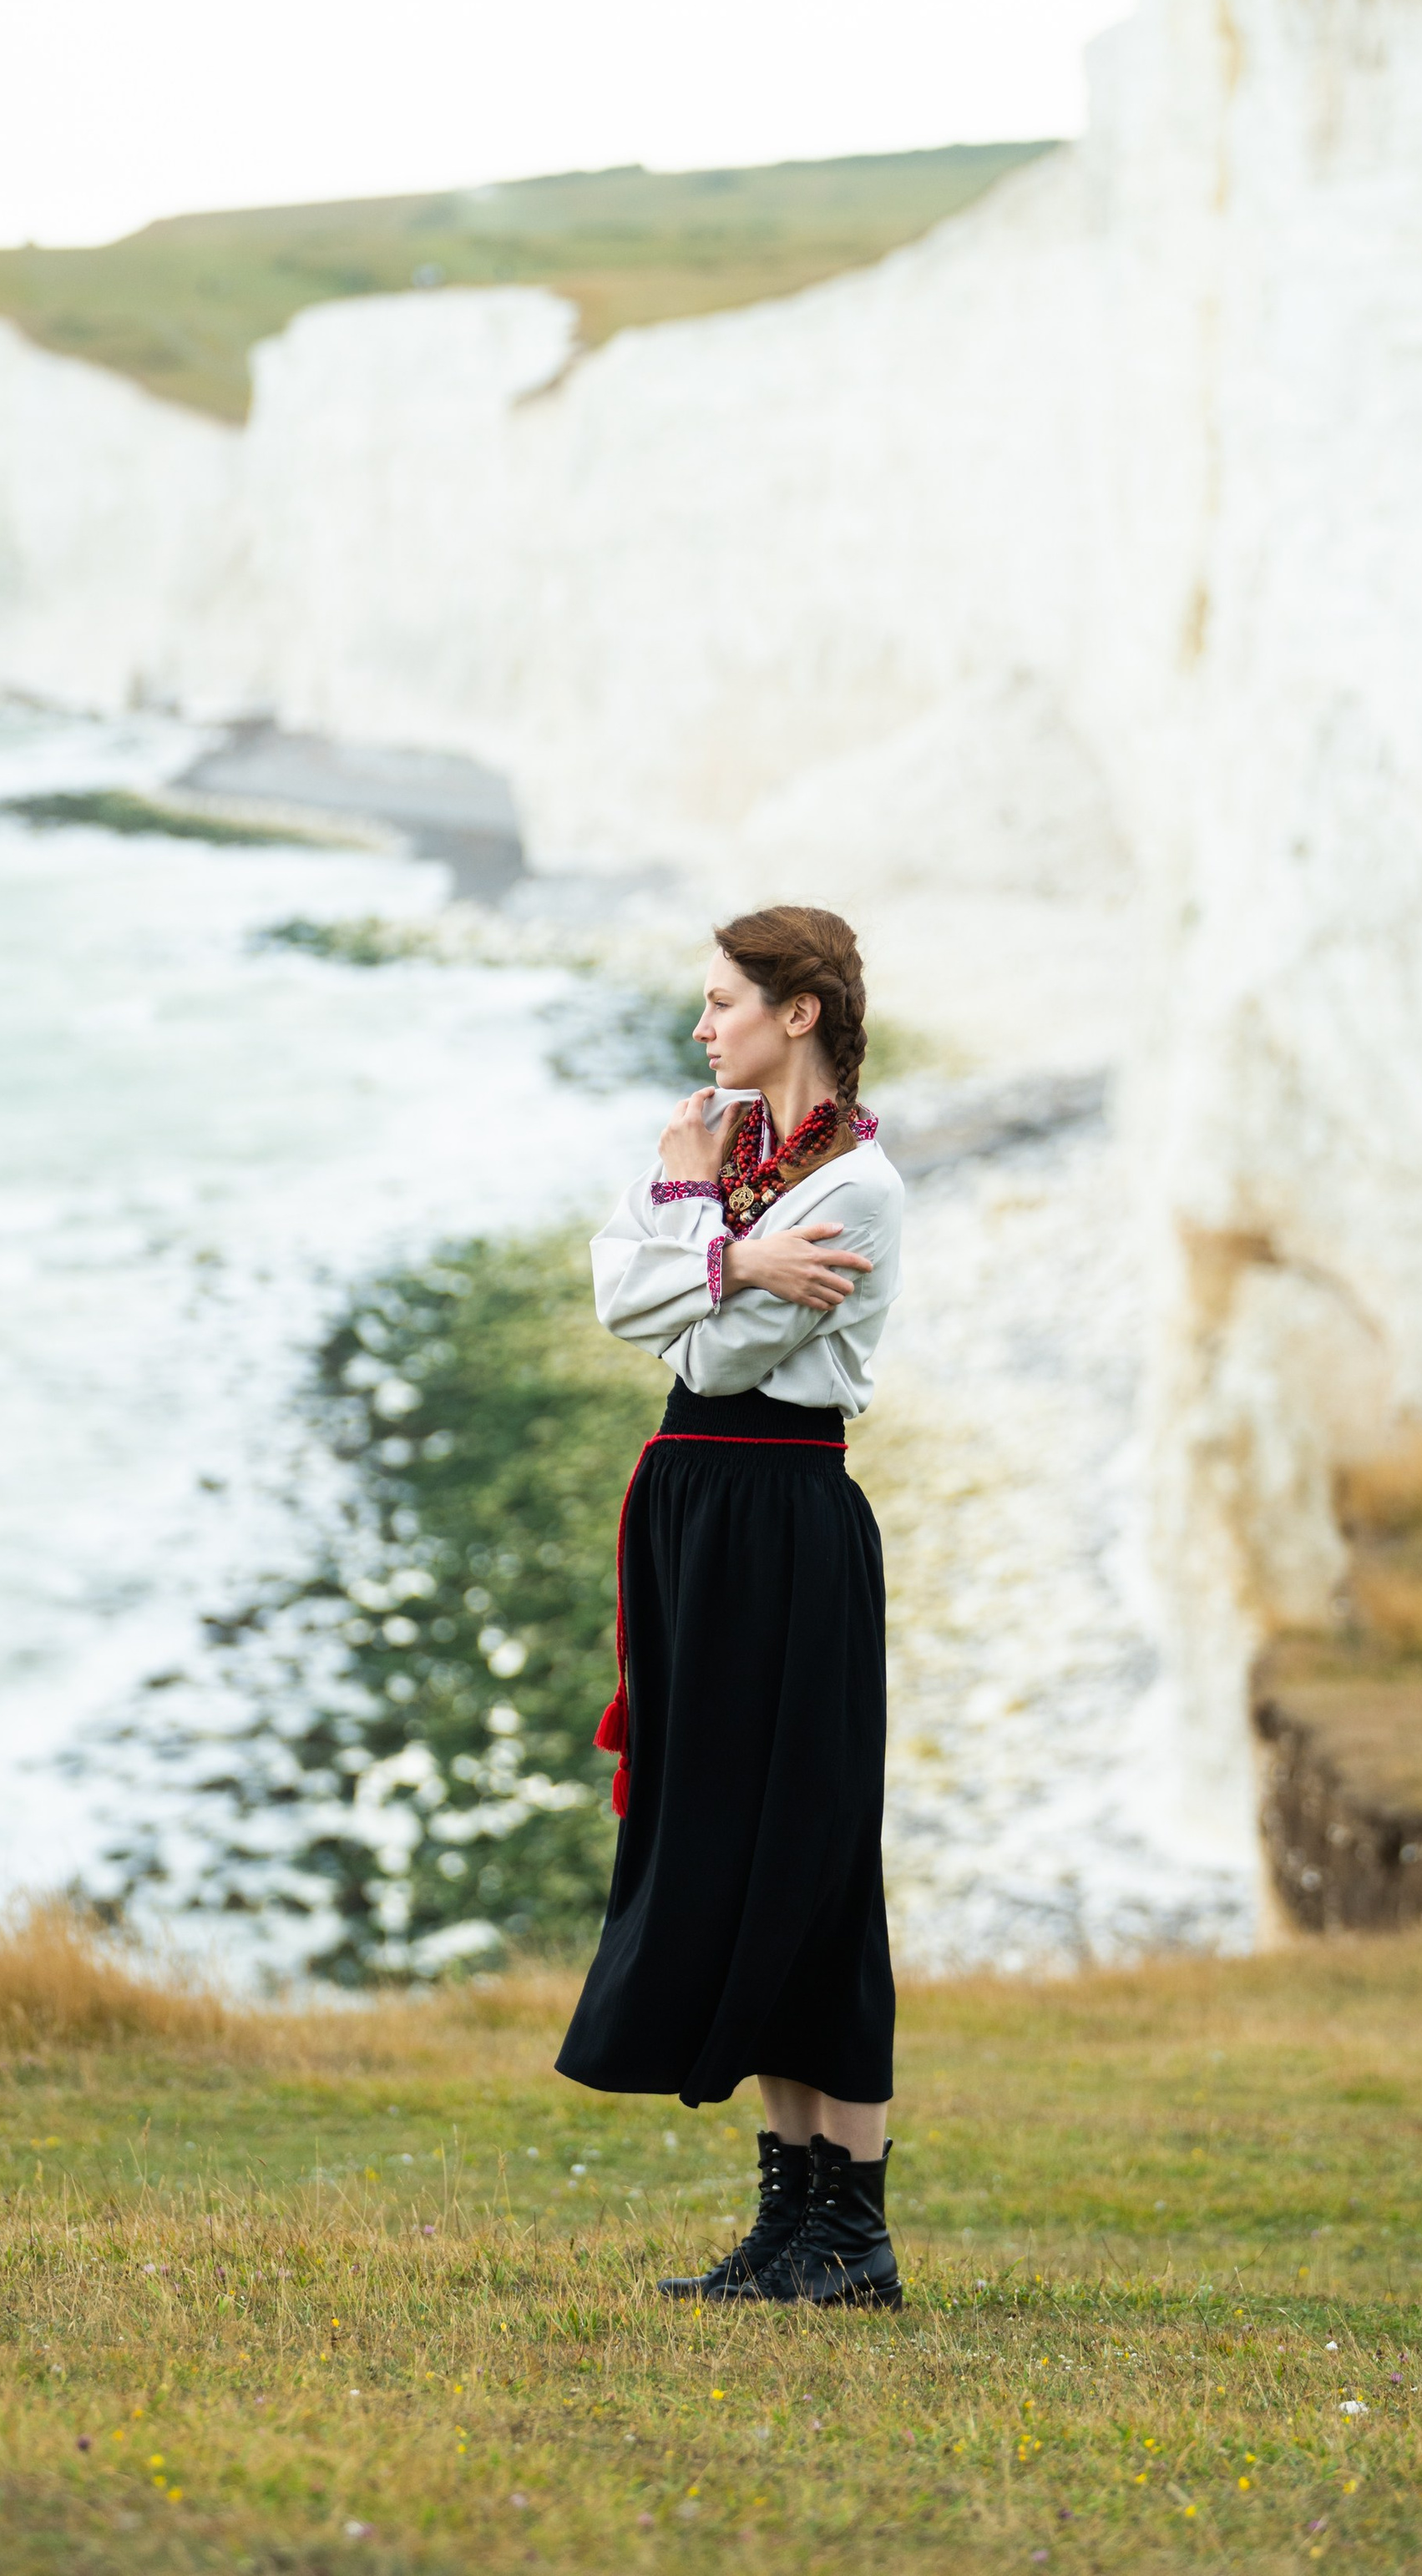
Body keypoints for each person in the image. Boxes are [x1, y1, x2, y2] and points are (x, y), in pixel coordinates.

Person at [554, 904, 906, 2310]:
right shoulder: (727, 1160)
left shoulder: (858, 1189)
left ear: (797, 1012)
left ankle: (852, 2234)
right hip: (697, 1519)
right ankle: (788, 2221)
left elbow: (715, 1357)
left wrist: (704, 1246)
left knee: (811, 1860)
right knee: (734, 1849)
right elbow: (613, 1293)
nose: (703, 1029)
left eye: (723, 1003)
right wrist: (733, 1244)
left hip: (782, 1522)